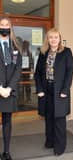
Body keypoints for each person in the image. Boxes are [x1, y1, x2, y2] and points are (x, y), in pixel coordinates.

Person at [34, 28, 73, 156]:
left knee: (59, 120)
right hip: (46, 91)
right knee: (49, 118)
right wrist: (39, 89)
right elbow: (38, 73)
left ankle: (59, 147)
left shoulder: (66, 52)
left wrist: (65, 90)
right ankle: (50, 141)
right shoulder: (43, 53)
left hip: (60, 91)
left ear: (59, 39)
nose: (53, 40)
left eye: (56, 37)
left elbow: (69, 72)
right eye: (51, 37)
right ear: (48, 39)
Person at [0, 16, 22, 160]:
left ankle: (6, 152)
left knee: (7, 122)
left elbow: (17, 69)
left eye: (6, 24)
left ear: (10, 27)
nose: (4, 26)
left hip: (9, 91)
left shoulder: (15, 46)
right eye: (1, 24)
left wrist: (9, 88)